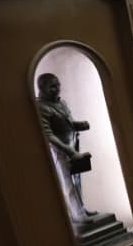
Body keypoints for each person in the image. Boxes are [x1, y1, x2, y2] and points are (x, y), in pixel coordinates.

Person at [36, 72, 97, 225]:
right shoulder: (41, 107)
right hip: (58, 151)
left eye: (58, 85)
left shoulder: (61, 103)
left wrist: (80, 125)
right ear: (41, 88)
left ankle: (82, 208)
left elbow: (67, 123)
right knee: (67, 183)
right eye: (52, 86)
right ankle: (77, 214)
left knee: (77, 181)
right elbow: (48, 135)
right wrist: (69, 151)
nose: (57, 89)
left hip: (72, 147)